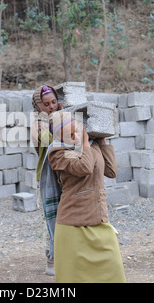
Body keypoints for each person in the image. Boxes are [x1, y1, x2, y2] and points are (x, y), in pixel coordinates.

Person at [47, 111, 126, 283]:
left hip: (98, 220)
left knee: (114, 272)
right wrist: (84, 142)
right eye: (70, 134)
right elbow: (84, 167)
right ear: (59, 137)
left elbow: (111, 172)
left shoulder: (92, 145)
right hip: (72, 226)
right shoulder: (58, 153)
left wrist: (102, 142)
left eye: (77, 130)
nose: (75, 136)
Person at [30, 84, 63, 276]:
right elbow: (45, 139)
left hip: (64, 178)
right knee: (49, 220)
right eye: (46, 104)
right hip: (46, 180)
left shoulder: (63, 116)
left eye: (54, 102)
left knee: (64, 219)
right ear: (39, 106)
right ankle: (51, 259)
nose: (51, 106)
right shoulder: (36, 123)